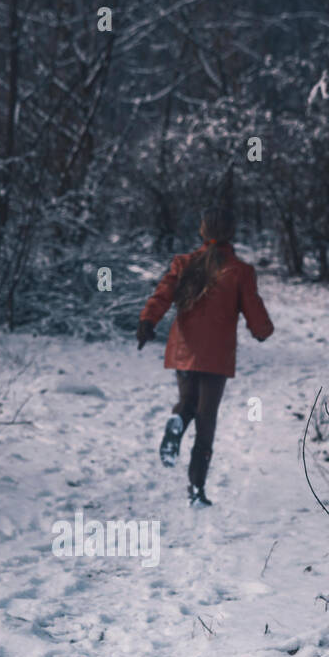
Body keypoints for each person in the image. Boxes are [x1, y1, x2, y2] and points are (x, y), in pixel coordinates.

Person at [137, 206, 274, 505]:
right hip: (216, 355)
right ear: (231, 233)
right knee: (206, 418)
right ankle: (196, 488)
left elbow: (162, 294)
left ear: (202, 231)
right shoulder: (240, 272)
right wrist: (263, 330)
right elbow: (253, 309)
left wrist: (148, 322)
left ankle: (176, 421)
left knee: (187, 403)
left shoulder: (184, 263)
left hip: (184, 349)